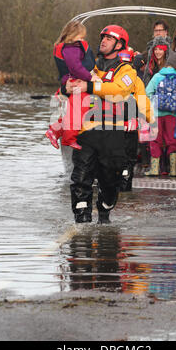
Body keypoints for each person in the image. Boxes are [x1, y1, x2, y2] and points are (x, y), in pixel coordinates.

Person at [66, 25, 139, 224]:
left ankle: (105, 206)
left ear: (119, 44)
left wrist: (89, 85)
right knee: (81, 175)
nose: (103, 41)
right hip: (87, 128)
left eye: (108, 38)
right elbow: (71, 81)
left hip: (113, 131)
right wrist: (67, 86)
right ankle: (82, 219)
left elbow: (118, 91)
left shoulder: (126, 70)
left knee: (110, 179)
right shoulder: (90, 66)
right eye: (102, 37)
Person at [45, 20, 101, 150]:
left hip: (73, 80)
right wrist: (90, 77)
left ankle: (55, 130)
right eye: (80, 37)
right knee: (78, 111)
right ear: (72, 35)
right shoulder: (71, 49)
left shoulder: (69, 47)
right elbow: (75, 67)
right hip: (76, 81)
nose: (82, 40)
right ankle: (68, 138)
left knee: (80, 109)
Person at [117, 48, 154, 191]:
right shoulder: (136, 80)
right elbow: (143, 103)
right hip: (129, 124)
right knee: (128, 159)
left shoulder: (108, 77)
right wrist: (152, 120)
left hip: (112, 125)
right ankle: (125, 187)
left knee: (115, 158)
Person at [145, 51, 176, 177]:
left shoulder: (157, 76)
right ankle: (173, 170)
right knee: (172, 140)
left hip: (156, 114)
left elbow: (147, 93)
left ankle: (155, 169)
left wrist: (154, 102)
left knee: (155, 140)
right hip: (172, 115)